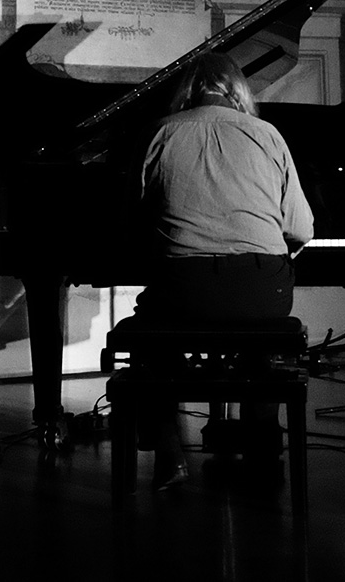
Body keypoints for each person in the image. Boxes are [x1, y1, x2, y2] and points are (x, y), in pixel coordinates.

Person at [133, 52, 313, 489]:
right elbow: (300, 229)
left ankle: (170, 455)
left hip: (184, 290)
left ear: (188, 92)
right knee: (260, 333)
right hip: (261, 288)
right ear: (237, 92)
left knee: (149, 328)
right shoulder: (268, 135)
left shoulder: (160, 133)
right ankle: (263, 446)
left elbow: (136, 224)